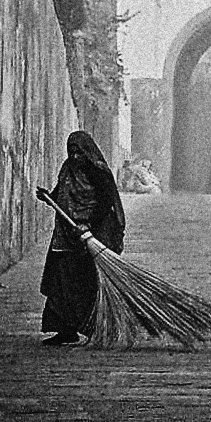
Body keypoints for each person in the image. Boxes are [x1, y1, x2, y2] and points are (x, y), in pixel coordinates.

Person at [36, 130, 126, 346]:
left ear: (88, 151)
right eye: (71, 151)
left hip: (87, 237)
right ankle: (65, 330)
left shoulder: (98, 172)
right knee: (60, 284)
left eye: (79, 151)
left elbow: (106, 204)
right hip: (66, 236)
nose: (75, 156)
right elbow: (61, 194)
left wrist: (88, 226)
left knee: (85, 284)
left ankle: (95, 328)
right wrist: (48, 196)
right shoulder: (68, 168)